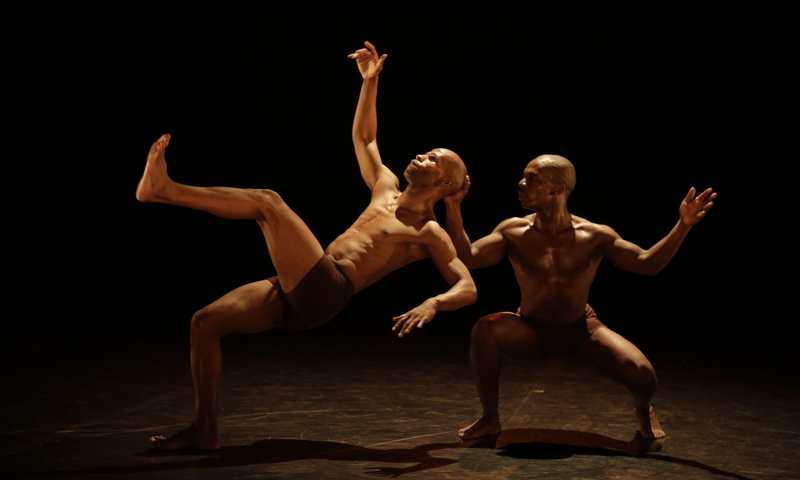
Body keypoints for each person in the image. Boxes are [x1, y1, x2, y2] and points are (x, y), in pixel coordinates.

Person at [136, 41, 477, 451]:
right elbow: (365, 138)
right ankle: (204, 429)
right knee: (205, 323)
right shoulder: (384, 187)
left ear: (444, 184)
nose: (422, 155)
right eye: (426, 151)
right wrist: (370, 82)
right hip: (301, 286)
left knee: (268, 202)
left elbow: (468, 285)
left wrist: (434, 303)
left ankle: (164, 191)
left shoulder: (426, 231)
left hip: (327, 289)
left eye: (433, 159)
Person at [444, 154, 716, 441]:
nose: (521, 183)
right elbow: (468, 258)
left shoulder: (595, 235)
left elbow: (647, 263)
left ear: (557, 189)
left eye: (532, 177)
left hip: (580, 330)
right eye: (523, 176)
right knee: (485, 328)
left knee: (643, 374)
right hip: (530, 330)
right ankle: (490, 418)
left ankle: (643, 408)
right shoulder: (513, 230)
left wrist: (683, 224)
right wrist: (453, 205)